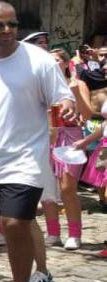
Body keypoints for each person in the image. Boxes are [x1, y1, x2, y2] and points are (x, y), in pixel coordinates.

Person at [0, 2, 74, 282]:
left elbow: (63, 97)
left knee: (16, 223)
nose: (6, 31)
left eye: (12, 25)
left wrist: (68, 107)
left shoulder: (39, 60)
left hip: (25, 158)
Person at [41, 48, 92, 252]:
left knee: (67, 188)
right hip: (46, 136)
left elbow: (87, 114)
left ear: (65, 63)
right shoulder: (43, 85)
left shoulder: (78, 84)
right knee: (47, 189)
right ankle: (53, 233)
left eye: (56, 61)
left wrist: (76, 92)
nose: (52, 65)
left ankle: (74, 233)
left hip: (70, 138)